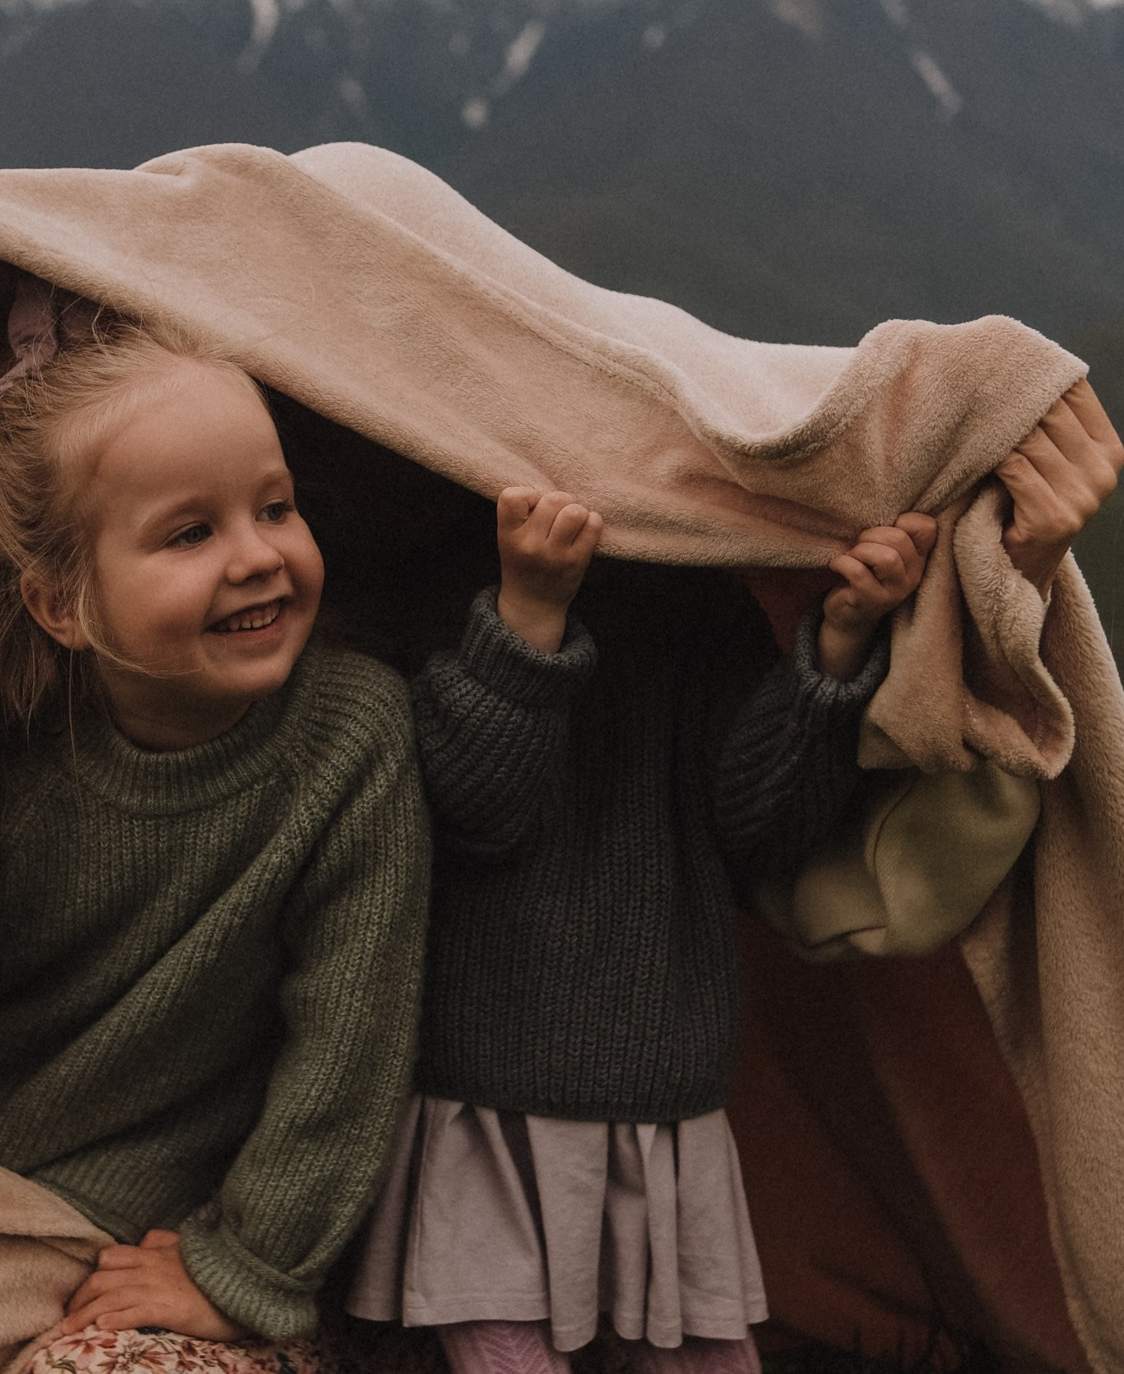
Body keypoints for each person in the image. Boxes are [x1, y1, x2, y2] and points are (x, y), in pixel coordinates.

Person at [0, 188, 433, 1368]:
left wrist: (245, 1266)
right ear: (62, 604)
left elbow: (346, 1046)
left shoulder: (351, 734)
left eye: (275, 504)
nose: (257, 552)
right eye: (188, 533)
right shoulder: (2, 725)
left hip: (178, 1245)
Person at [345, 476, 935, 1374]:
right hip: (481, 1096)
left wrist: (842, 644)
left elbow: (761, 829)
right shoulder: (440, 575)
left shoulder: (699, 595)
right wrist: (526, 614)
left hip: (660, 1095)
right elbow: (470, 811)